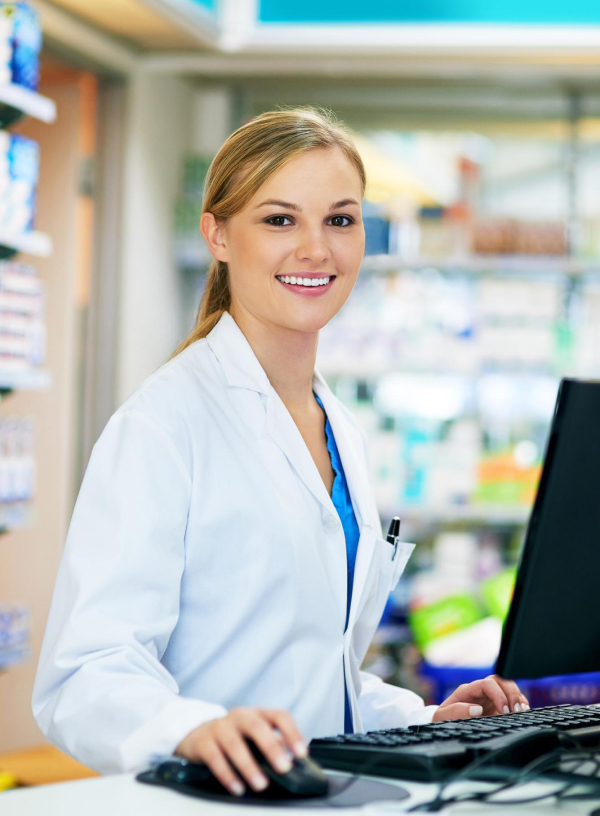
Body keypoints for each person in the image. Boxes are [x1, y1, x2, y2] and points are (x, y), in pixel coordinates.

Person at [32, 106, 528, 795]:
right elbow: (83, 675)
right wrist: (190, 728)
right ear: (218, 235)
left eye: (341, 219)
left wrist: (423, 717)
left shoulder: (339, 428)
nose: (316, 250)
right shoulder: (163, 425)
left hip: (324, 791)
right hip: (212, 798)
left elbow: (320, 668)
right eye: (279, 219)